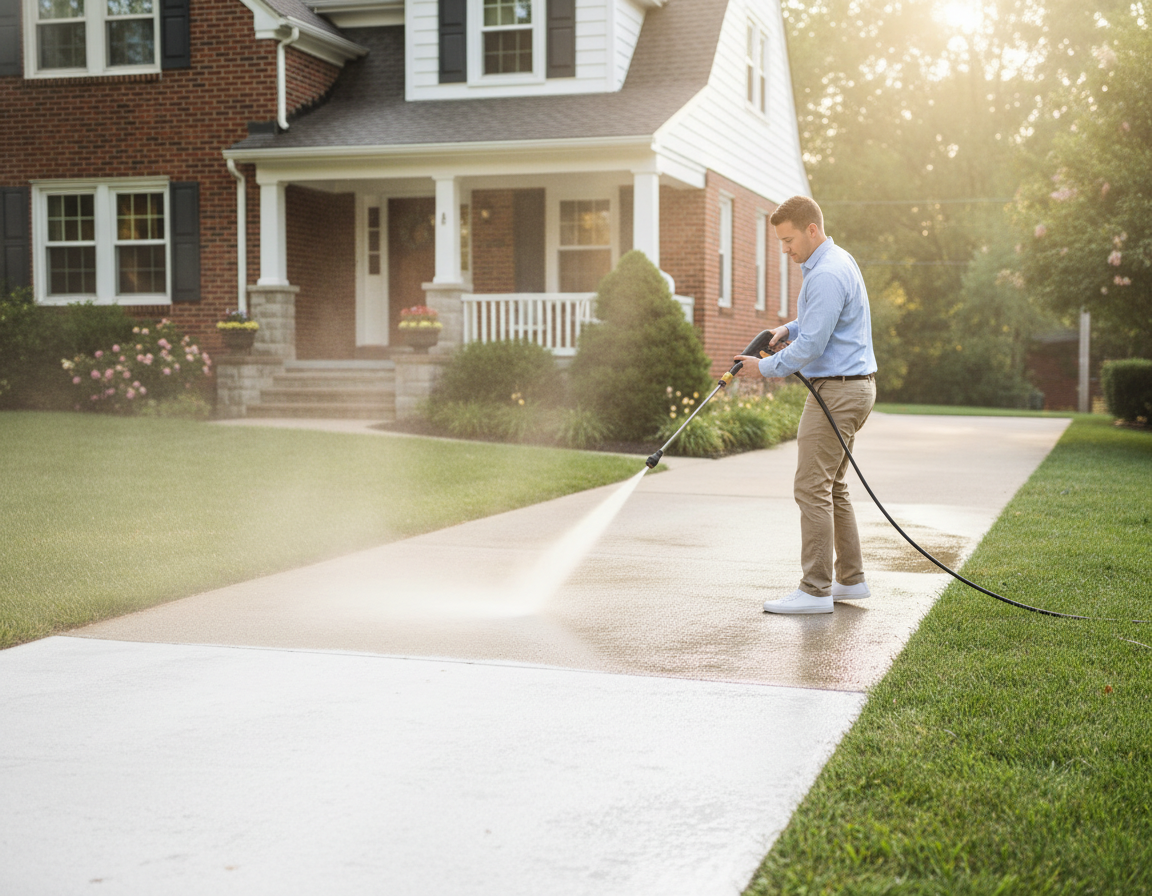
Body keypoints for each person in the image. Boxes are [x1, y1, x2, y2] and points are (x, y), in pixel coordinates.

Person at [734, 195, 877, 615]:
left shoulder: (827, 273)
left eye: (789, 239)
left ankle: (815, 590)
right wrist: (786, 327)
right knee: (832, 486)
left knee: (810, 487)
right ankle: (850, 581)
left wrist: (764, 369)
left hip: (838, 391)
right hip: (852, 388)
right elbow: (817, 322)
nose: (785, 249)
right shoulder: (836, 261)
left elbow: (813, 345)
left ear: (811, 229)